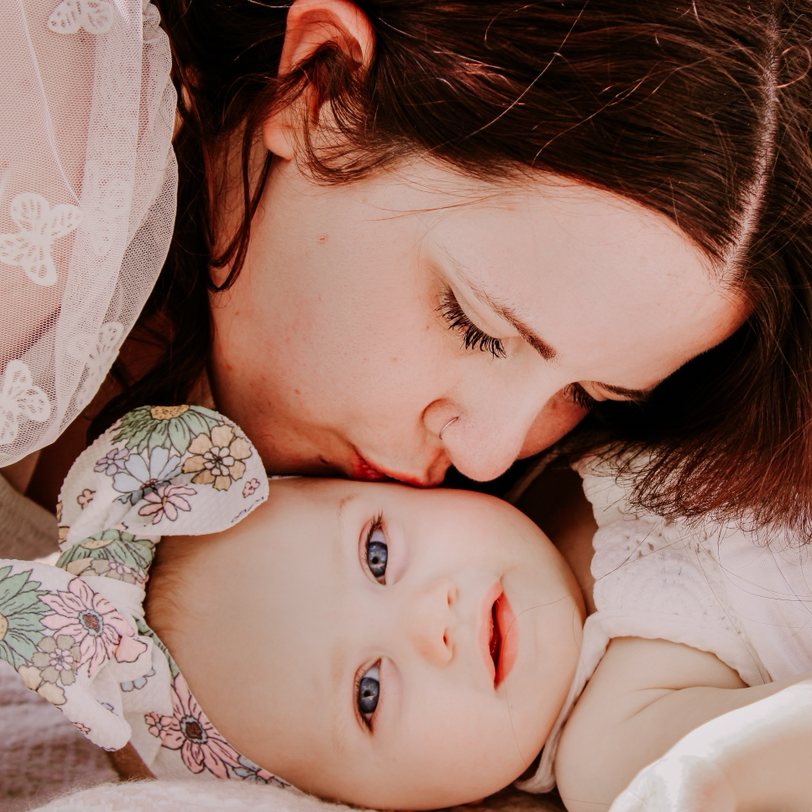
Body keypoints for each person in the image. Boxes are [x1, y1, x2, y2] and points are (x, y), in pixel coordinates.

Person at [4, 0, 812, 545]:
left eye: (586, 395)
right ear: (318, 90)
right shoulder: (47, 149)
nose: (490, 453)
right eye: (476, 325)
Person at [2, 405, 810, 812]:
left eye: (377, 554)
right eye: (368, 693)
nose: (435, 621)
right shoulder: (617, 743)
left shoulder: (554, 450)